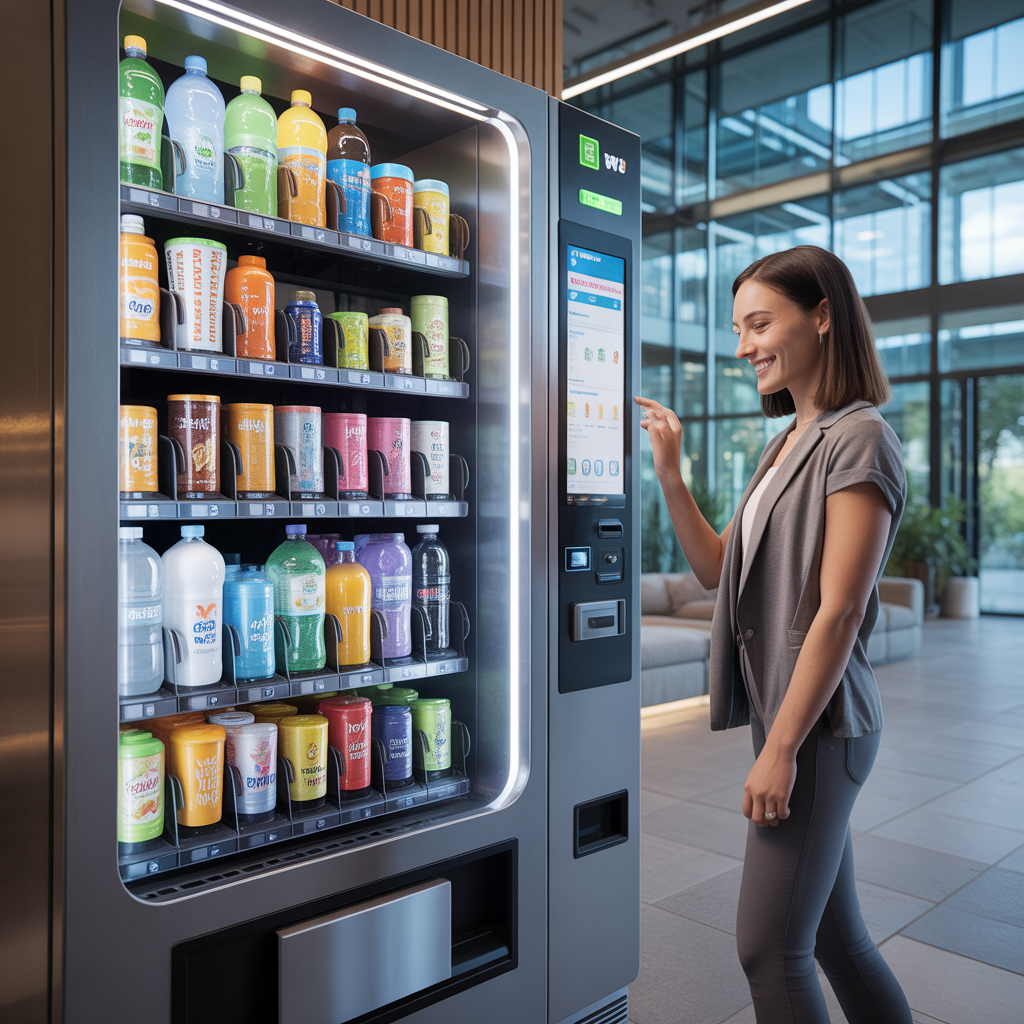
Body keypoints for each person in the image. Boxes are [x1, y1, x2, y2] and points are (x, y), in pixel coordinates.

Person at [636, 246, 913, 1024]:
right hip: (797, 719)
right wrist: (670, 473)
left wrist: (782, 748)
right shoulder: (787, 440)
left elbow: (841, 610)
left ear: (822, 316)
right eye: (738, 330)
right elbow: (716, 570)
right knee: (835, 940)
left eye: (759, 324)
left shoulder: (859, 438)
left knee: (768, 950)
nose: (743, 346)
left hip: (821, 726)